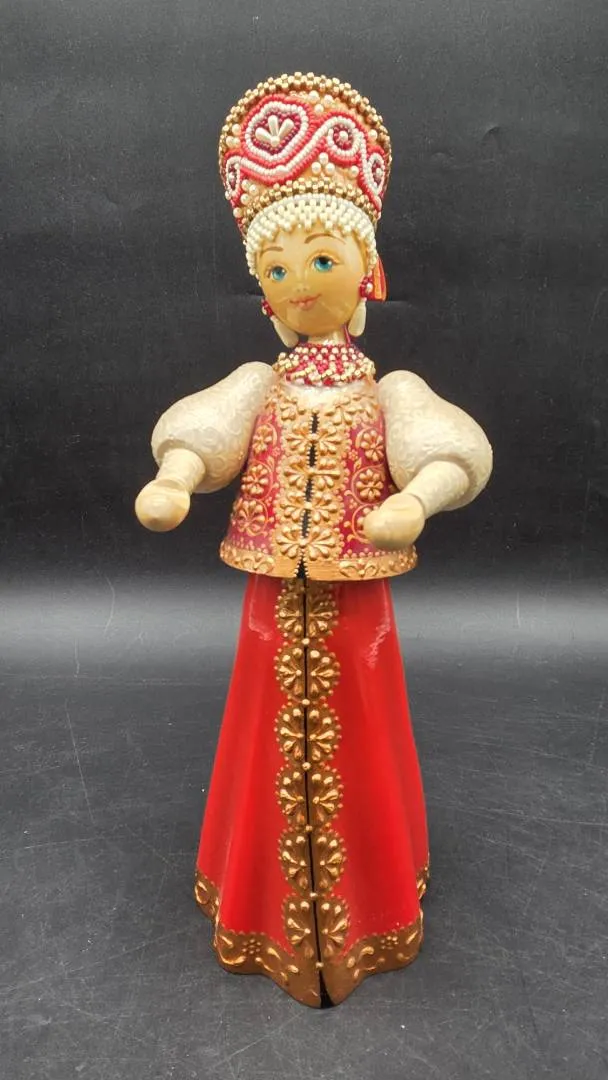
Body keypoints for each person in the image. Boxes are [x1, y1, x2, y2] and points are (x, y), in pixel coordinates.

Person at [135, 72, 492, 1007]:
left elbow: (445, 448)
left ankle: (374, 899)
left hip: (356, 604)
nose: (299, 286)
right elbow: (207, 431)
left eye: (320, 261)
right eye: (277, 271)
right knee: (261, 732)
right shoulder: (262, 383)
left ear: (365, 268)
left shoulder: (388, 390)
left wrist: (418, 500)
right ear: (264, 290)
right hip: (270, 604)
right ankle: (256, 896)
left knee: (363, 734)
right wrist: (176, 475)